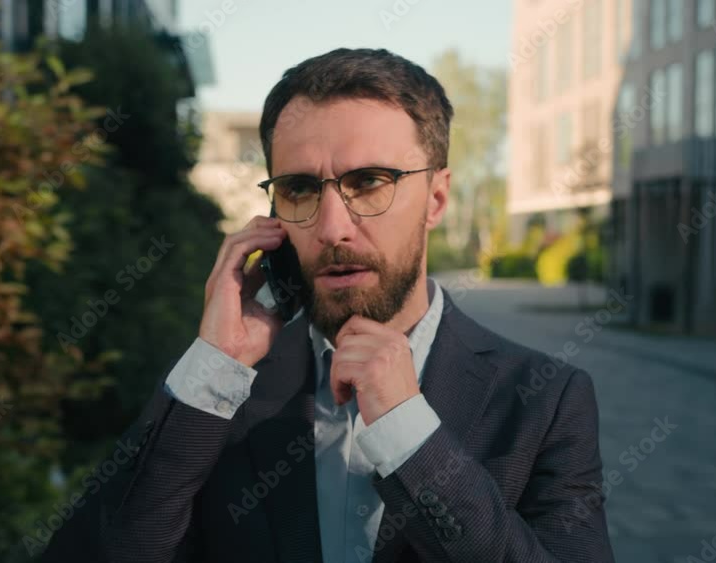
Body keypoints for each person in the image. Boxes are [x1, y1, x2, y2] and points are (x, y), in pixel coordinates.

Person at [41, 48, 615, 563]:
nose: (333, 227)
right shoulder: (222, 388)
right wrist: (216, 364)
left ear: (436, 199)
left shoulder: (544, 400)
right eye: (299, 189)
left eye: (369, 181)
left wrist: (410, 434)